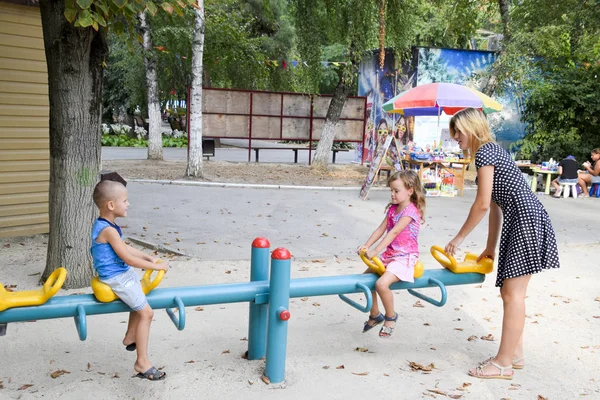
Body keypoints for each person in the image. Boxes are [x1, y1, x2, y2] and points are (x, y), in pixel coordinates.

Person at [444, 108, 559, 380]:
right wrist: (489, 247)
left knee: (513, 294)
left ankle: (503, 364)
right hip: (521, 220)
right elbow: (495, 206)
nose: (456, 138)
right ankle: (514, 354)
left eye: (457, 132)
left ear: (471, 128)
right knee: (510, 293)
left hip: (525, 221)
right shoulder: (492, 151)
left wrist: (458, 238)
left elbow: (482, 204)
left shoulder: (485, 152)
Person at [90, 180, 169, 381]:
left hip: (122, 274)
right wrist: (156, 266)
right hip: (116, 278)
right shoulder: (107, 230)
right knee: (147, 313)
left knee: (140, 297)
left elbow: (126, 248)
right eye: (125, 200)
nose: (128, 204)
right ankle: (142, 362)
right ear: (110, 205)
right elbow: (126, 258)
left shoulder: (109, 225)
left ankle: (130, 337)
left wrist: (147, 257)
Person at [357, 170, 426, 338]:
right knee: (365, 281)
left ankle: (390, 316)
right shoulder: (393, 209)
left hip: (404, 257)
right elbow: (381, 229)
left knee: (381, 284)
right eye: (391, 191)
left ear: (410, 191)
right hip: (390, 255)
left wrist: (375, 251)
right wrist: (366, 245)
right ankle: (375, 314)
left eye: (396, 191)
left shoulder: (410, 212)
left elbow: (393, 233)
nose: (392, 194)